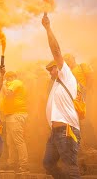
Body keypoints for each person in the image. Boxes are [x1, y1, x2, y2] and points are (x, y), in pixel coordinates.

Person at [42, 14, 81, 179]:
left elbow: (56, 51)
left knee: (70, 167)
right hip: (55, 132)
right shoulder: (56, 83)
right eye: (49, 69)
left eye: (53, 68)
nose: (51, 71)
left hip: (66, 130)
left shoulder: (67, 75)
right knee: (48, 163)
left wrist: (48, 29)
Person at [3, 71, 29, 173]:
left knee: (18, 141)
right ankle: (12, 164)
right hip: (10, 115)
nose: (8, 79)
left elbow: (8, 94)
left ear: (14, 76)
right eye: (6, 78)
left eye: (9, 77)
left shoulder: (17, 82)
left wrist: (3, 84)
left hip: (16, 114)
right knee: (10, 142)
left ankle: (24, 165)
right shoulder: (10, 84)